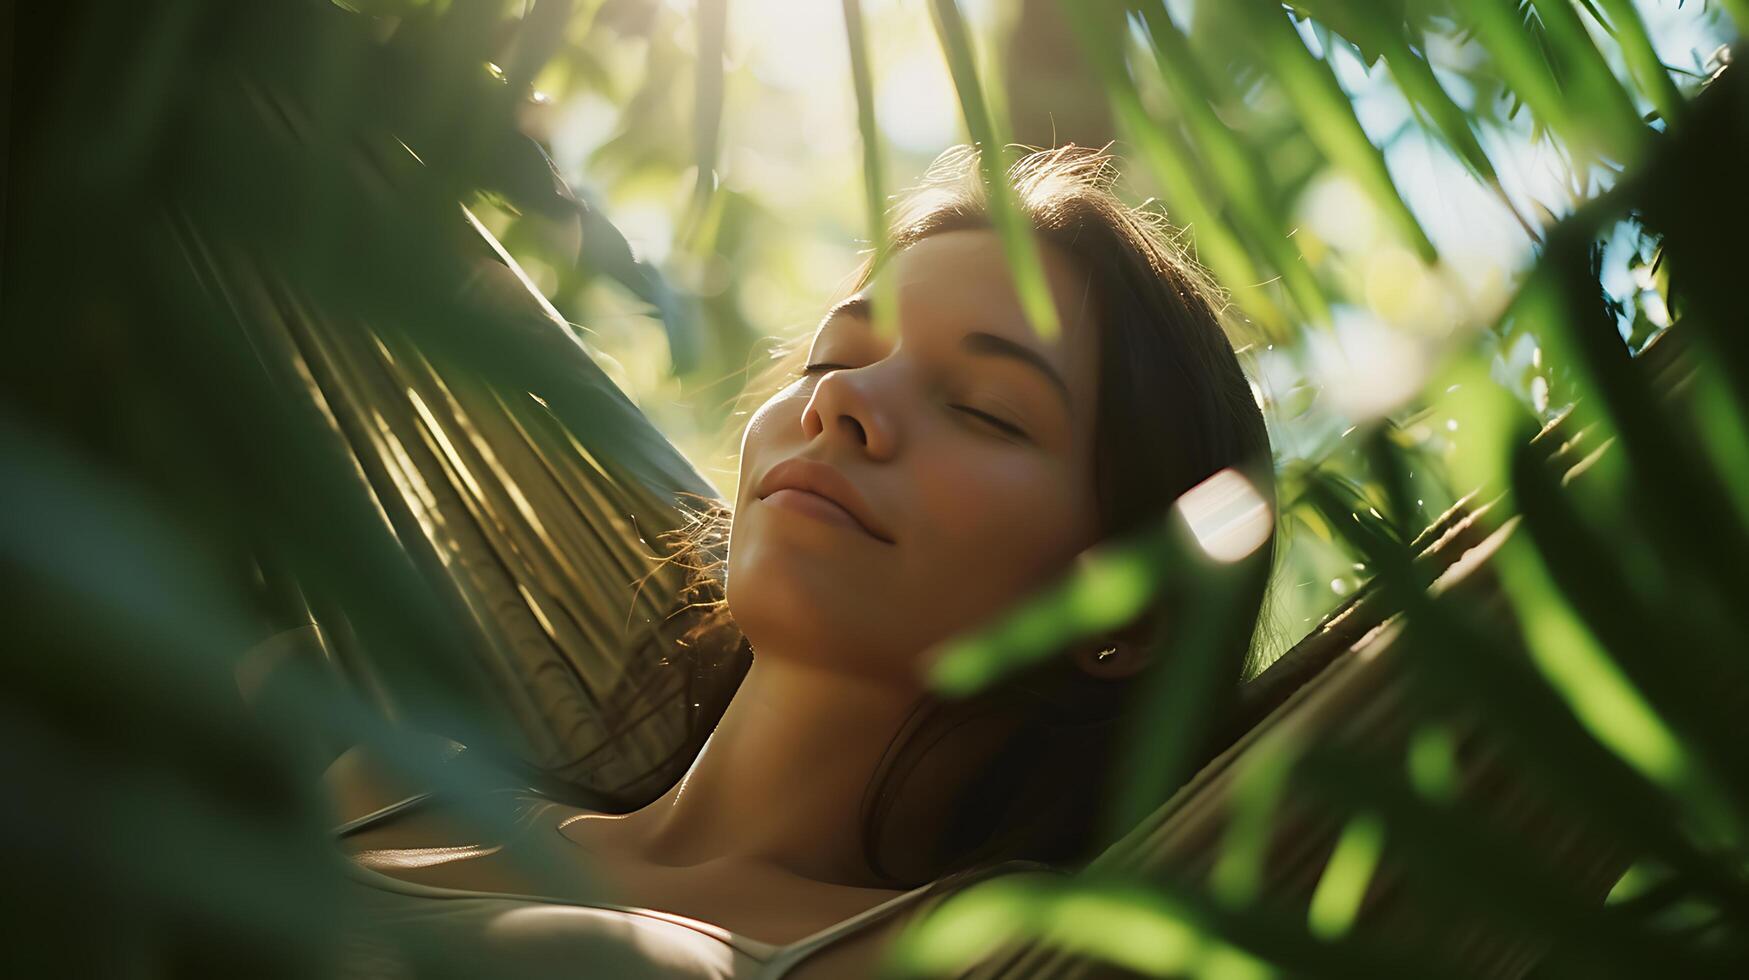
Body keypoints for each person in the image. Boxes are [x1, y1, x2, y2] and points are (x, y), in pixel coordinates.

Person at [320, 142, 1279, 979]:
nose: (840, 402)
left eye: (983, 407)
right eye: (832, 359)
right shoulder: (375, 783)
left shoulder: (989, 959)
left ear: (1125, 610)